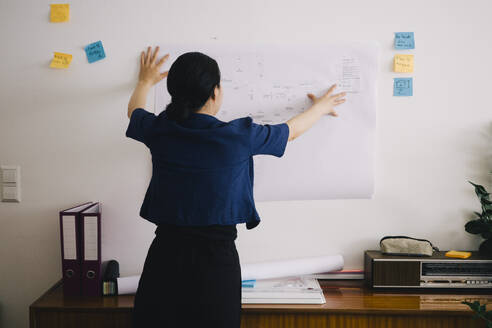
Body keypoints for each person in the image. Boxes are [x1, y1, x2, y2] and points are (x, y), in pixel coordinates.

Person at [126, 46, 346, 328]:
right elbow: (291, 130)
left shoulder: (160, 129)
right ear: (215, 92)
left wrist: (144, 81)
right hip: (216, 263)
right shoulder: (238, 136)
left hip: (165, 257)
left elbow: (134, 112)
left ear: (175, 93)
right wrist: (320, 107)